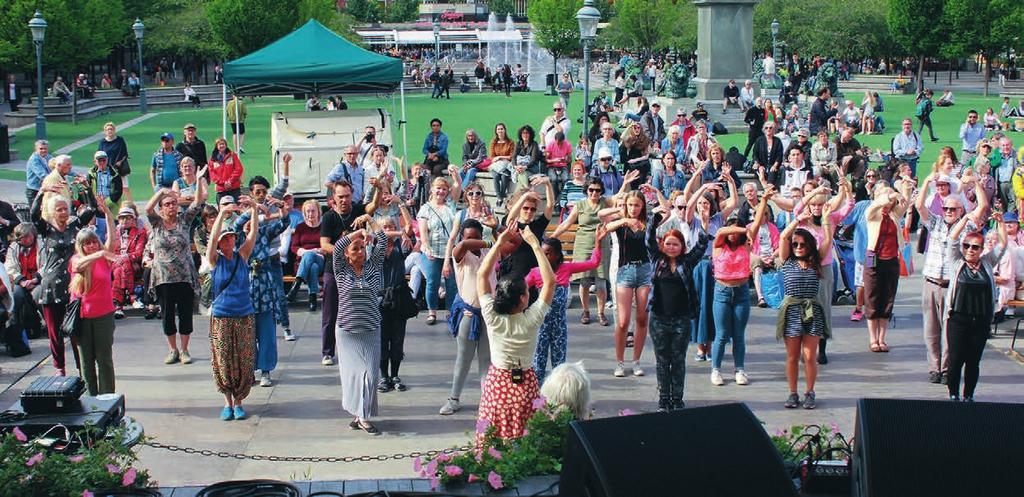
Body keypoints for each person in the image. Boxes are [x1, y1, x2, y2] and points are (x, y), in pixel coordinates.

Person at [476, 223, 555, 440]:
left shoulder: (493, 317)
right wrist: (535, 244)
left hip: (497, 383)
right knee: (525, 437)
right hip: (525, 383)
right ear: (522, 298)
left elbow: (482, 276)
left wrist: (499, 243)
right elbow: (550, 282)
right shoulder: (531, 319)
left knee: (492, 434)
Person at [915, 171, 987, 384]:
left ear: (960, 210)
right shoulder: (935, 222)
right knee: (931, 329)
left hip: (953, 285)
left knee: (950, 330)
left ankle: (947, 369)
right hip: (931, 282)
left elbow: (982, 207)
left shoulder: (966, 225)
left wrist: (975, 183)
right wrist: (927, 180)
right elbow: (920, 207)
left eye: (952, 209)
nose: (948, 211)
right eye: (945, 208)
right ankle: (934, 367)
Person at [525, 229, 606, 383]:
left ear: (557, 255)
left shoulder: (566, 268)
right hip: (540, 325)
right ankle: (536, 399)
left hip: (559, 326)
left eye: (548, 253)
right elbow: (519, 290)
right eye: (542, 253)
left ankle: (558, 397)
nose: (544, 256)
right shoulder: (535, 272)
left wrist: (598, 241)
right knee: (537, 363)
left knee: (559, 365)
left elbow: (593, 263)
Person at [31, 187, 96, 376]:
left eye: (65, 208)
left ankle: (82, 365)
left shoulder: (74, 226)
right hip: (51, 286)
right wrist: (42, 193)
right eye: (58, 209)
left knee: (77, 330)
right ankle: (59, 367)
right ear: (51, 212)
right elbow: (34, 215)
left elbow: (91, 210)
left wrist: (86, 191)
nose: (63, 212)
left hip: (73, 284)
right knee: (55, 332)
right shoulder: (46, 229)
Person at [334, 219, 389, 435]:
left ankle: (363, 415)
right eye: (355, 249)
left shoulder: (373, 267)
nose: (359, 251)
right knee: (354, 376)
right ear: (348, 254)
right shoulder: (341, 270)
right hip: (347, 332)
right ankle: (361, 415)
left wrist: (371, 224)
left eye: (362, 247)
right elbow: (337, 248)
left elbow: (382, 241)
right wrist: (355, 233)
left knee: (370, 375)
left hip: (370, 329)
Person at [206, 203, 259, 421]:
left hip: (244, 314)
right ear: (219, 242)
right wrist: (221, 214)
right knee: (223, 359)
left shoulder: (242, 256)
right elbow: (210, 241)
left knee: (245, 359)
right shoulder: (214, 260)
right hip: (222, 316)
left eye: (231, 237)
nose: (229, 240)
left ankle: (239, 402)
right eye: (225, 238)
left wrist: (254, 210)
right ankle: (227, 401)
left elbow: (253, 233)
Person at [778, 205, 834, 410]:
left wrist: (826, 219)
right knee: (792, 356)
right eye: (796, 244)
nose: (798, 247)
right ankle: (792, 393)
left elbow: (827, 240)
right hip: (792, 310)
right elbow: (784, 237)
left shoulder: (816, 260)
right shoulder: (787, 260)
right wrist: (797, 220)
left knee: (810, 356)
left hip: (812, 309)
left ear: (809, 245)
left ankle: (810, 391)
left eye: (802, 244)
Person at [944, 213, 1006, 401]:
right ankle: (953, 394)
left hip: (980, 319)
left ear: (981, 249)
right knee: (955, 360)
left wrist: (1001, 222)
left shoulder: (987, 263)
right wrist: (965, 220)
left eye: (975, 247)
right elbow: (952, 239)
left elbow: (1002, 245)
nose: (970, 250)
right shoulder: (957, 262)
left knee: (973, 361)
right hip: (958, 318)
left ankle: (969, 395)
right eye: (967, 246)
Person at [146, 183, 206, 366]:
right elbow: (148, 208)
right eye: (167, 204)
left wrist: (198, 179)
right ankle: (173, 349)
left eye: (174, 203)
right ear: (162, 208)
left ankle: (185, 349)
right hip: (163, 278)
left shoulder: (184, 221)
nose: (172, 206)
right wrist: (161, 192)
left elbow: (197, 204)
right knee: (167, 314)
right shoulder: (157, 223)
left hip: (184, 276)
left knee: (186, 313)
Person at [440, 219, 495, 415]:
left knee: (486, 360)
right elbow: (462, 245)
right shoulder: (460, 255)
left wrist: (497, 229)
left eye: (476, 237)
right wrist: (489, 242)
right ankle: (453, 399)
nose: (472, 242)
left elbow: (511, 244)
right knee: (463, 357)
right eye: (469, 237)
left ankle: (487, 400)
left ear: (482, 236)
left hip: (488, 315)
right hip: (468, 314)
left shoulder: (489, 253)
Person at [686, 168, 738, 362]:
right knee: (699, 305)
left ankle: (710, 345)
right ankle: (700, 347)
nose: (702, 206)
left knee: (713, 306)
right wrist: (702, 187)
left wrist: (730, 180)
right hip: (697, 267)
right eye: (701, 203)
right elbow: (689, 202)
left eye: (706, 203)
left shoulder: (718, 219)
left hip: (715, 267)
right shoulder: (692, 221)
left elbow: (733, 201)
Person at [551, 179, 620, 326]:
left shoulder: (605, 202)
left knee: (601, 281)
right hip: (583, 244)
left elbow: (619, 197)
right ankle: (586, 311)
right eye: (591, 190)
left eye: (597, 190)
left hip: (601, 243)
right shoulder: (580, 205)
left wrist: (625, 181)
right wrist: (553, 236)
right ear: (586, 190)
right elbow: (567, 223)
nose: (594, 193)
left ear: (601, 191)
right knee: (584, 280)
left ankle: (601, 313)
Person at [69, 199, 118, 396]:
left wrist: (107, 214)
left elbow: (112, 237)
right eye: (86, 243)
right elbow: (79, 267)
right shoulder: (78, 260)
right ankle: (90, 397)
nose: (91, 246)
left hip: (103, 315)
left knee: (104, 359)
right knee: (86, 361)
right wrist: (99, 254)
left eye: (93, 242)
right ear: (80, 246)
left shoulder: (104, 258)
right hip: (82, 317)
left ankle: (107, 396)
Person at [319, 182, 366, 366]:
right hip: (334, 269)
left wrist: (379, 187)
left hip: (356, 270)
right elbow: (324, 244)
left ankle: (355, 349)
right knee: (330, 312)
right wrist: (343, 252)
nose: (344, 200)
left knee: (357, 311)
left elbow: (374, 206)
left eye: (347, 196)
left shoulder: (358, 211)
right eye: (341, 196)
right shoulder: (329, 217)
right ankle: (328, 352)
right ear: (334, 198)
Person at [862, 187, 908, 352]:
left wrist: (904, 189)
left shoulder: (894, 215)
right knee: (872, 297)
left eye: (890, 201)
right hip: (873, 258)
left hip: (891, 260)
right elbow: (875, 206)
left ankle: (882, 338)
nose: (888, 203)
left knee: (887, 299)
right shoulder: (872, 213)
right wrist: (887, 196)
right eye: (885, 199)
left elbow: (905, 202)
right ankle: (873, 338)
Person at [419, 176, 460, 326]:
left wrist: (455, 176)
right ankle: (432, 312)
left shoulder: (450, 205)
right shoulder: (425, 208)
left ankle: (450, 311)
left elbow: (458, 186)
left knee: (451, 283)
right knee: (432, 282)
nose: (441, 191)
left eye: (444, 189)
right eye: (438, 188)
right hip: (433, 251)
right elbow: (423, 231)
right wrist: (427, 246)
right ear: (432, 189)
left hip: (450, 251)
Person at [5, 223, 43, 344]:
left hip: (38, 280)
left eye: (29, 236)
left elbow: (46, 265)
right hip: (21, 281)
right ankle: (17, 330)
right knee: (16, 296)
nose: (26, 240)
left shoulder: (42, 245)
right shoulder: (13, 248)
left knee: (38, 296)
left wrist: (35, 279)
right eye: (23, 238)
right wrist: (21, 281)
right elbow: (9, 267)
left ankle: (50, 324)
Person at [287, 200, 325, 312]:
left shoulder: (324, 227)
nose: (310, 214)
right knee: (312, 267)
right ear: (304, 213)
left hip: (320, 259)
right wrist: (308, 251)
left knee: (312, 258)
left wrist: (317, 251)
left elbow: (327, 246)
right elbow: (294, 247)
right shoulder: (300, 227)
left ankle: (296, 285)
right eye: (307, 211)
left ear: (319, 212)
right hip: (302, 262)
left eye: (313, 211)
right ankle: (312, 299)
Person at [111, 206, 148, 319]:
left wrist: (124, 257)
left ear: (133, 219)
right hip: (115, 263)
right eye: (122, 218)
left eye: (128, 218)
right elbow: (109, 251)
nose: (125, 220)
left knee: (119, 270)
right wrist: (119, 259)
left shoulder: (140, 233)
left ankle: (118, 305)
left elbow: (138, 253)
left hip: (133, 265)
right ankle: (133, 296)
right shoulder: (113, 234)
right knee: (119, 269)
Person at [488, 123, 515, 207]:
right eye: (498, 129)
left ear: (505, 130)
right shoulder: (494, 142)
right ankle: (500, 198)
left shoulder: (510, 142)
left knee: (504, 176)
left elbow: (512, 156)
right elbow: (492, 156)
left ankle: (501, 198)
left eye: (502, 129)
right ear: (496, 131)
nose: (500, 131)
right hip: (496, 166)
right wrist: (497, 159)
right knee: (495, 176)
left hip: (506, 165)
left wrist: (500, 157)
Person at [209, 137, 244, 202]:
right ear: (216, 146)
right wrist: (223, 182)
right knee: (222, 209)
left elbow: (239, 169)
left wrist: (230, 181)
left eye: (223, 144)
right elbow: (212, 174)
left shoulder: (232, 155)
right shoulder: (212, 160)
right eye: (219, 144)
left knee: (237, 208)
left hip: (234, 187)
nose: (221, 146)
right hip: (221, 189)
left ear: (226, 145)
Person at [26, 140, 52, 206]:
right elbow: (42, 175)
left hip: (45, 189)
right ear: (36, 149)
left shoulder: (49, 157)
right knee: (36, 214)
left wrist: (76, 175)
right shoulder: (34, 160)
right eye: (41, 149)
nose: (43, 150)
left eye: (45, 148)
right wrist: (54, 180)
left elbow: (60, 166)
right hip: (35, 191)